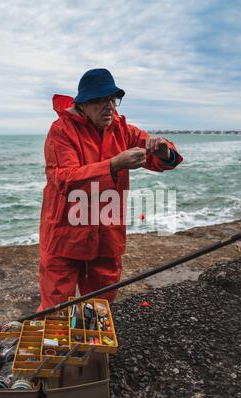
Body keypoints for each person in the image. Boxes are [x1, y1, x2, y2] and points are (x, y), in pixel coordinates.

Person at [37, 68, 183, 311]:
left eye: (112, 99)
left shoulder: (123, 130)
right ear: (81, 104)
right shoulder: (61, 131)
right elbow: (65, 179)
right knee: (55, 308)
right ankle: (57, 348)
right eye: (98, 100)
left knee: (100, 308)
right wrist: (114, 165)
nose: (108, 106)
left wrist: (163, 150)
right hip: (65, 233)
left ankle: (92, 350)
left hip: (107, 234)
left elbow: (166, 159)